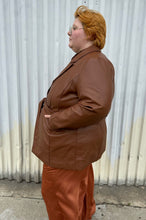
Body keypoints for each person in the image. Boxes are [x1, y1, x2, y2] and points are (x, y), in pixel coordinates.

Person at [32, 5, 114, 220]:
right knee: (77, 193)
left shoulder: (93, 62)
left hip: (66, 151)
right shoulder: (86, 60)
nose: (69, 31)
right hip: (72, 148)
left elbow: (95, 105)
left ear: (90, 34)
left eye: (74, 27)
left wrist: (55, 120)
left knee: (59, 199)